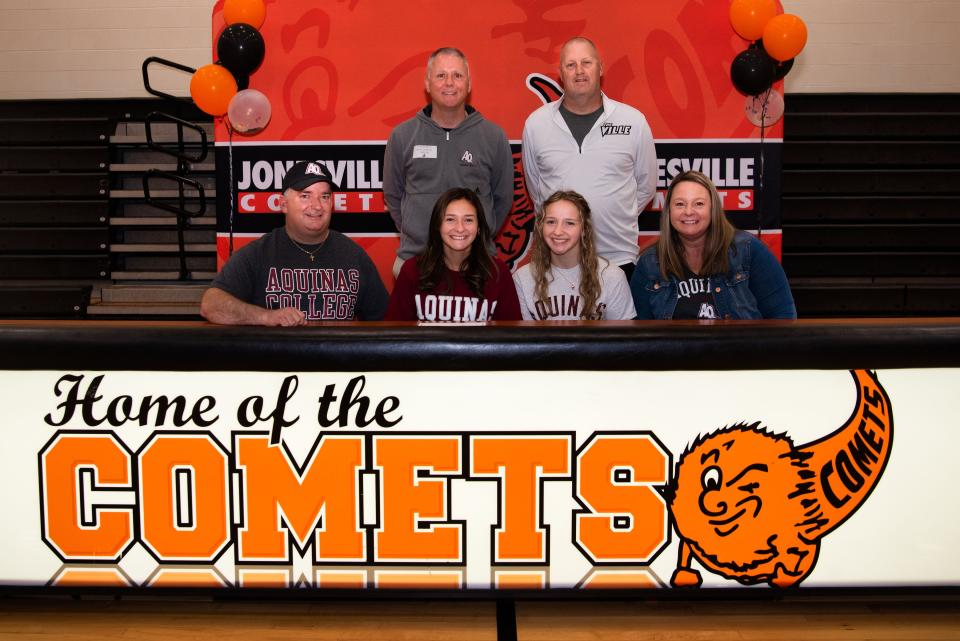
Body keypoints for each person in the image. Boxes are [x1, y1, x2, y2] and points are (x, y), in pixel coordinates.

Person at [522, 36, 658, 281]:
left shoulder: (632, 121)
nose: (579, 71)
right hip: (557, 259)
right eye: (570, 65)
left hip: (617, 257)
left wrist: (616, 212)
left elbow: (646, 187)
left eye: (587, 62)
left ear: (600, 68)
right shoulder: (536, 124)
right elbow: (537, 188)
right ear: (560, 73)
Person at [200, 160, 388, 325]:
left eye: (324, 196)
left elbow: (385, 320)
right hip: (279, 363)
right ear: (283, 205)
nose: (316, 206)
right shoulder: (259, 253)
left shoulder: (354, 255)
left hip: (337, 363)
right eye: (305, 196)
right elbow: (211, 305)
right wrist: (266, 317)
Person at [383, 47, 514, 277]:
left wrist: (479, 233)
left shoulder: (493, 137)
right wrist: (417, 229)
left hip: (476, 263)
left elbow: (502, 199)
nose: (449, 83)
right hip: (416, 259)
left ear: (469, 84)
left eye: (457, 75)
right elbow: (393, 194)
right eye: (441, 75)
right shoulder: (402, 135)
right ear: (427, 83)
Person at [629, 170, 796, 320]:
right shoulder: (649, 263)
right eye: (680, 204)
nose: (688, 211)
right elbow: (639, 336)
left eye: (699, 203)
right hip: (676, 355)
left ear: (713, 209)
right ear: (669, 211)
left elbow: (784, 317)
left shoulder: (749, 250)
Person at [385, 187, 521, 322]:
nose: (460, 228)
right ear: (438, 225)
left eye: (468, 220)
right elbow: (393, 335)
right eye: (450, 219)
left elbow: (513, 337)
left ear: (479, 227)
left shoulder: (498, 273)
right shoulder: (412, 270)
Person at [513, 190, 635, 320]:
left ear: (584, 229)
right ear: (541, 227)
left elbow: (623, 338)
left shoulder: (611, 276)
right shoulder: (523, 278)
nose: (558, 231)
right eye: (551, 222)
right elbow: (523, 338)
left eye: (569, 223)